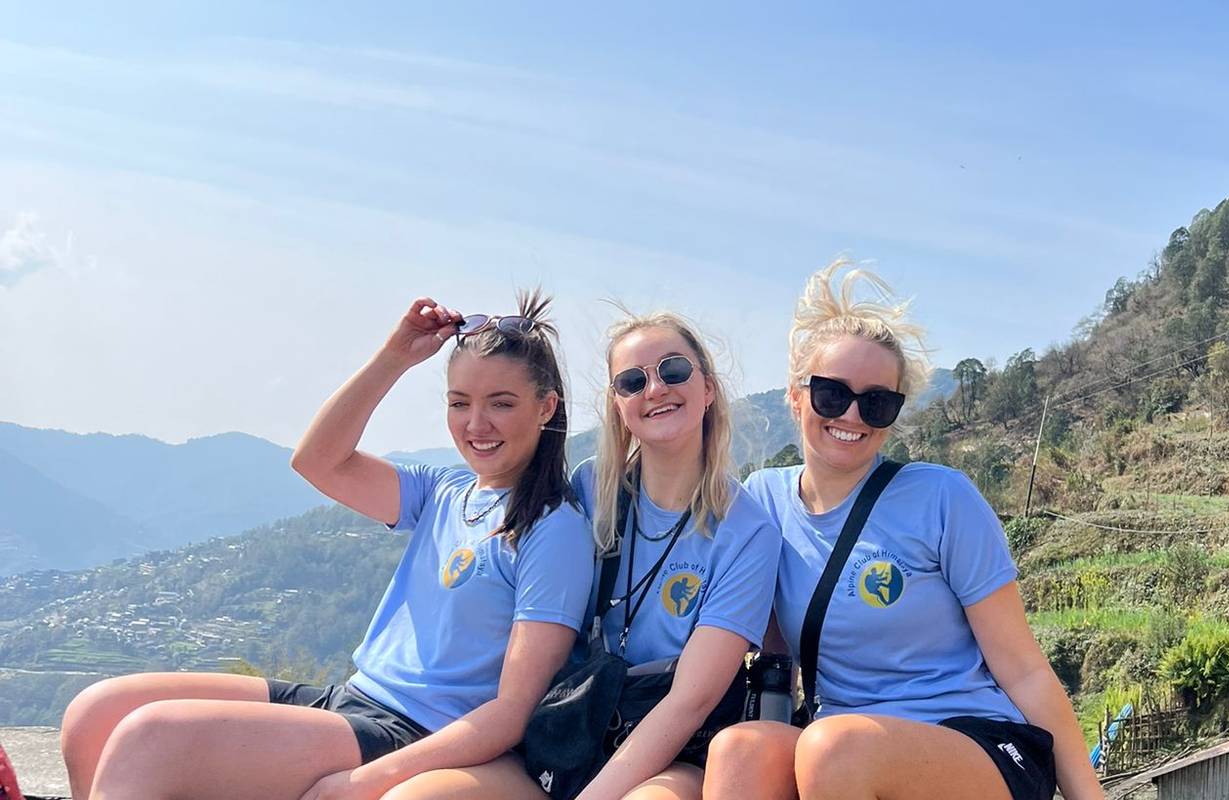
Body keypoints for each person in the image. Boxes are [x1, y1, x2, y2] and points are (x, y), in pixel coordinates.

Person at [59, 294, 595, 800]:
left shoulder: (553, 529)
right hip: (355, 699)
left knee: (152, 739)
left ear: (545, 408)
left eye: (501, 403)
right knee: (97, 714)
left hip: (417, 732)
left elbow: (509, 714)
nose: (476, 424)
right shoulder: (446, 491)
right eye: (460, 403)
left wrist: (365, 781)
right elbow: (318, 460)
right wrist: (394, 357)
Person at [703, 261, 1105, 800]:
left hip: (976, 743)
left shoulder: (942, 498)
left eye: (877, 402)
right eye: (831, 394)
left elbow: (1024, 667)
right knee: (740, 750)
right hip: (837, 741)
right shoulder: (764, 500)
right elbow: (768, 643)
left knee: (833, 748)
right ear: (796, 396)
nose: (852, 415)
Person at [406, 311, 779, 800]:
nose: (655, 389)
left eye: (673, 371)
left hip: (671, 751)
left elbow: (691, 700)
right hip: (569, 728)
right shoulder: (590, 489)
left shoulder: (747, 531)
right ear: (618, 404)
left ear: (707, 388)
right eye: (631, 381)